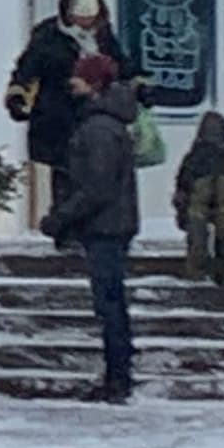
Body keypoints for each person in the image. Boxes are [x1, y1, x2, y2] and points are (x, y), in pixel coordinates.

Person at [41, 53, 142, 402]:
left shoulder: (98, 128)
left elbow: (97, 186)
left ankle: (118, 378)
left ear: (94, 84)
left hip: (105, 227)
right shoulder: (109, 123)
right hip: (111, 224)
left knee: (109, 303)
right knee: (111, 301)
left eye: (79, 78)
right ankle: (118, 373)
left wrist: (61, 217)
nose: (72, 82)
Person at [7, 0, 133, 227]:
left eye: (90, 18)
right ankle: (65, 229)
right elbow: (26, 69)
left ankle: (92, 227)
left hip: (96, 115)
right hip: (58, 116)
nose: (85, 23)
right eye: (79, 17)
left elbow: (123, 67)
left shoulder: (104, 36)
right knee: (64, 173)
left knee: (95, 174)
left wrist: (140, 86)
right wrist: (17, 96)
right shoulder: (47, 37)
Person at [172, 110, 224, 287]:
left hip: (204, 203)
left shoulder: (194, 156)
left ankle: (198, 275)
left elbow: (182, 185)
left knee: (200, 241)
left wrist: (181, 210)